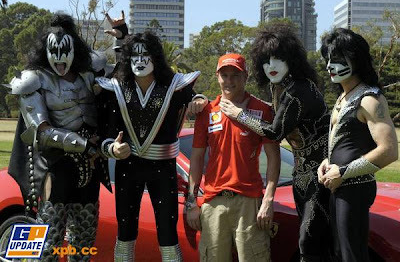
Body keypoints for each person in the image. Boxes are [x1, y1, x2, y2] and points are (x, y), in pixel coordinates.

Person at [219, 23, 332, 261]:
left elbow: (274, 132)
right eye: (266, 60)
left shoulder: (297, 91)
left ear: (292, 59)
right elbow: (278, 115)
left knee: (310, 241)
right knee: (309, 239)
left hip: (320, 176)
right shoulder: (281, 88)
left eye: (278, 59)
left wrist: (239, 114)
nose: (272, 66)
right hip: (302, 174)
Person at [7, 13, 111, 261]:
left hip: (90, 167)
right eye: (54, 50)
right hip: (55, 167)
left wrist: (123, 37)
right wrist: (84, 145)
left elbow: (121, 88)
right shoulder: (34, 80)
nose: (59, 57)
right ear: (46, 50)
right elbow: (41, 133)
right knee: (46, 237)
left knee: (84, 239)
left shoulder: (89, 75)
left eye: (65, 50)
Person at [96, 30, 207, 261]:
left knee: (168, 234)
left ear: (156, 58)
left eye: (145, 54)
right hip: (128, 168)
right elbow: (106, 135)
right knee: (125, 233)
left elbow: (196, 97)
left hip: (163, 169)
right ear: (128, 58)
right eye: (134, 55)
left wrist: (198, 101)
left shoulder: (174, 86)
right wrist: (112, 149)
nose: (140, 60)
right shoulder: (117, 88)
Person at [185, 53, 281, 261]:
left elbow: (273, 156)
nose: (229, 81)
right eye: (224, 75)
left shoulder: (262, 110)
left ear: (246, 77)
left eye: (235, 76)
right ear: (217, 77)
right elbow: (196, 158)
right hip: (213, 203)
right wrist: (192, 201)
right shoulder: (207, 111)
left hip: (249, 202)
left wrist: (268, 200)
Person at [318, 28, 398, 262]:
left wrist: (344, 171)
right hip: (336, 186)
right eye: (328, 59)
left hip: (355, 188)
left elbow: (389, 150)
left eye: (338, 59)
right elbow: (343, 142)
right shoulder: (344, 97)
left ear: (356, 59)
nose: (330, 66)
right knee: (340, 253)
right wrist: (327, 162)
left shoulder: (370, 99)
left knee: (352, 254)